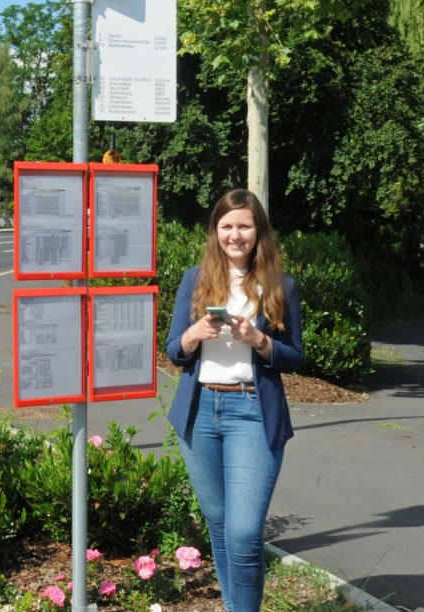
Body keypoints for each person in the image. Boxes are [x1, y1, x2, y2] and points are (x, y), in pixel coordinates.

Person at [165, 189, 303, 612]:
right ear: (215, 231)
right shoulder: (195, 279)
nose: (235, 234)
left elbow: (295, 357)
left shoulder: (281, 286)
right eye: (227, 226)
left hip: (252, 414)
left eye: (244, 225)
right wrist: (193, 336)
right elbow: (172, 349)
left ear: (258, 230)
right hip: (201, 412)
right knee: (221, 525)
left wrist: (258, 340)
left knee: (243, 533)